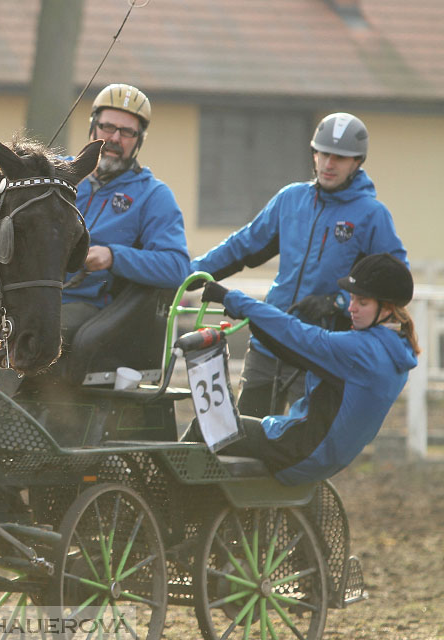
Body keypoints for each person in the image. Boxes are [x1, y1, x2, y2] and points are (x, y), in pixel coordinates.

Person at [190, 112, 407, 416]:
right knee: (242, 437)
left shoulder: (372, 215)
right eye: (324, 154)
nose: (329, 164)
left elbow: (396, 281)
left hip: (319, 351)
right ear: (314, 154)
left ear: (357, 162)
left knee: (297, 449)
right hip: (267, 339)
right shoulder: (290, 199)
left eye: (340, 158)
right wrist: (187, 273)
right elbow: (242, 246)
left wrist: (338, 302)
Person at [193, 254, 418, 485]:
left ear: (387, 308)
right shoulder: (399, 348)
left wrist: (231, 298)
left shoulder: (360, 351)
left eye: (362, 302)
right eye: (351, 299)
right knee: (234, 430)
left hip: (299, 452)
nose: (351, 308)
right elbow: (294, 347)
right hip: (324, 458)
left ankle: (168, 506)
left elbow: (294, 333)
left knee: (205, 426)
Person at [57, 83, 191, 383]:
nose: (114, 138)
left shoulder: (153, 196)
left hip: (89, 306)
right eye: (107, 127)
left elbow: (177, 267)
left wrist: (113, 256)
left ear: (139, 140)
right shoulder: (57, 176)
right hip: (28, 293)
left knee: (36, 331)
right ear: (93, 127)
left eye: (127, 132)